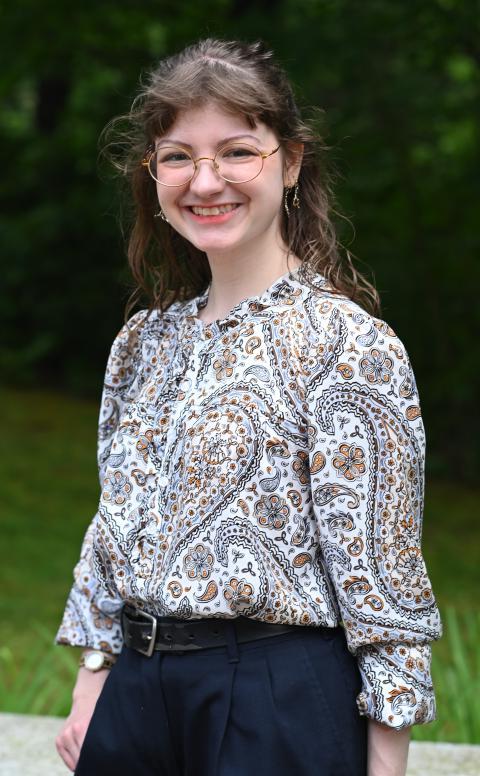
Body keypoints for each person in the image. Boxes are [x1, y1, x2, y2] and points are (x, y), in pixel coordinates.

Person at [54, 38, 442, 776]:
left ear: (291, 162)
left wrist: (385, 764)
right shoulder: (144, 341)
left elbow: (383, 579)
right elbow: (116, 526)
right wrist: (93, 676)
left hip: (277, 702)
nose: (206, 181)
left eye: (237, 151)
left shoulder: (347, 343)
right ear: (152, 173)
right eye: (177, 156)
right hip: (136, 698)